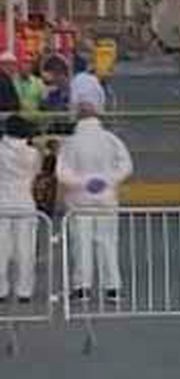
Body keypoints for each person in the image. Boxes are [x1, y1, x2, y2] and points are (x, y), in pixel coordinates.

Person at [56, 77, 133, 303]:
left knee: (81, 243)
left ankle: (82, 287)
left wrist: (82, 183)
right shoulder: (110, 139)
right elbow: (126, 166)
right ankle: (112, 288)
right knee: (108, 241)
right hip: (106, 199)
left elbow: (61, 172)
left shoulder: (70, 142)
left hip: (79, 201)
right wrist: (107, 181)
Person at [0, 115, 40, 304]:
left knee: (1, 249)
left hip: (2, 203)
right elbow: (35, 174)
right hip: (25, 202)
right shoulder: (32, 153)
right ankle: (25, 290)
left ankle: (1, 289)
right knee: (26, 248)